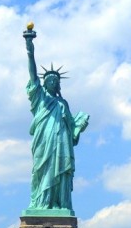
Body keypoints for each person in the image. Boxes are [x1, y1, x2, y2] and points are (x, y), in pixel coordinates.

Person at [23, 25, 89, 212]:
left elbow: (72, 128)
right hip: (44, 142)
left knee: (60, 172)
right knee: (41, 170)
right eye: (49, 80)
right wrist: (30, 48)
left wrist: (80, 125)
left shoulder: (63, 104)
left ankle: (59, 204)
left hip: (61, 143)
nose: (52, 82)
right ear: (44, 83)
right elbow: (32, 73)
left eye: (55, 80)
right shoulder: (40, 98)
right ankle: (41, 203)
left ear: (58, 84)